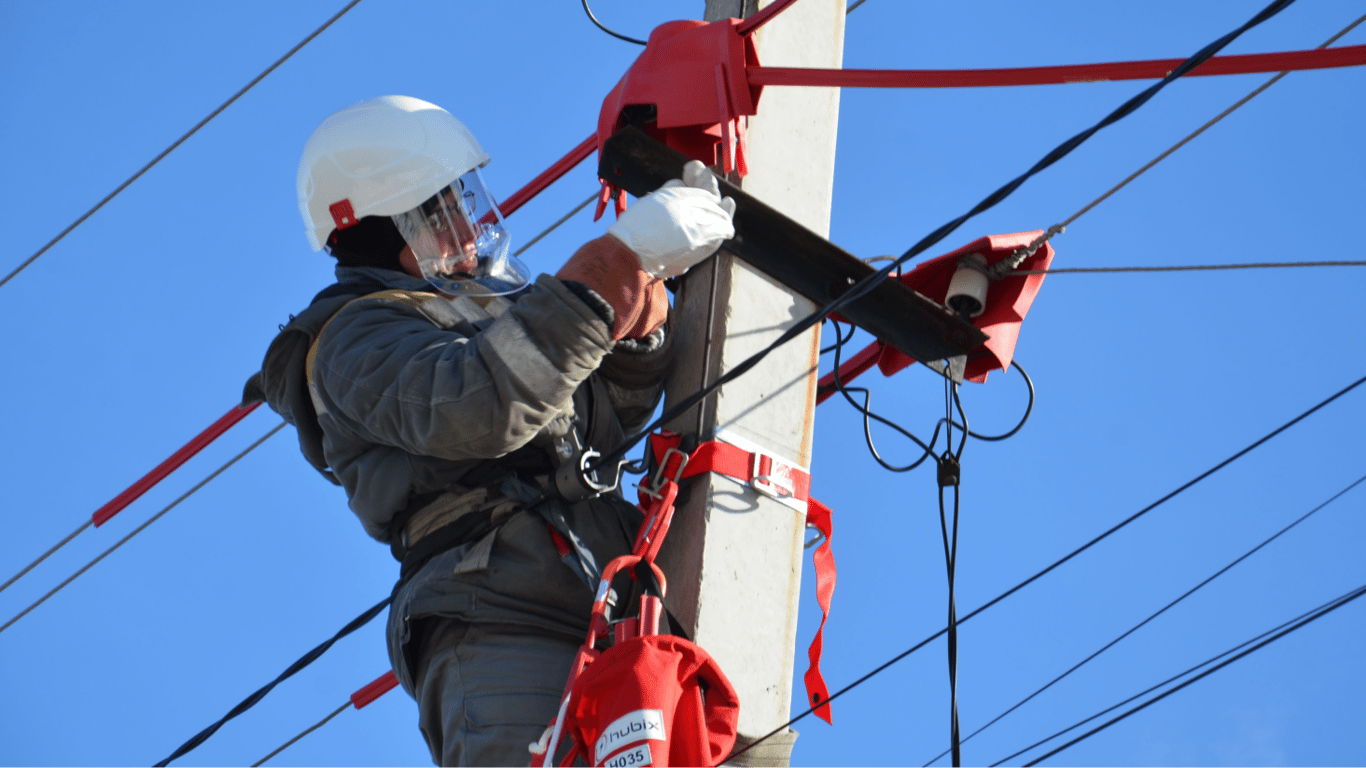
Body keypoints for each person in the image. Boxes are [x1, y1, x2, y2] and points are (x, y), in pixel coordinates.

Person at [244, 95, 735, 766]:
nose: (469, 228)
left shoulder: (476, 309)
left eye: (465, 201)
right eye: (443, 211)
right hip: (499, 621)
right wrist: (605, 273)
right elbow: (480, 405)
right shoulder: (352, 338)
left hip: (608, 610)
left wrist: (634, 333)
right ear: (394, 228)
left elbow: (593, 416)